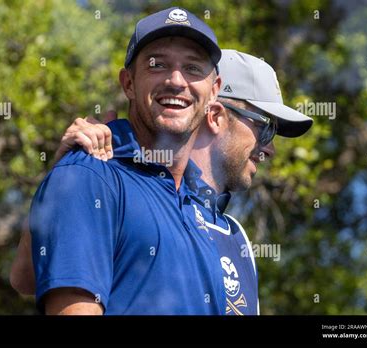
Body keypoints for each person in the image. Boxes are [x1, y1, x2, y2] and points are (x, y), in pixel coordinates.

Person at [12, 48, 313, 315]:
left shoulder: (235, 235)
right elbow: (27, 277)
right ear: (216, 115)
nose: (270, 148)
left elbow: (25, 278)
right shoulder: (109, 176)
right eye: (266, 129)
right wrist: (64, 176)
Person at [29, 7, 225, 315]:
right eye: (157, 64)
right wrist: (57, 183)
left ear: (214, 91)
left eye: (193, 68)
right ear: (129, 83)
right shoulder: (90, 173)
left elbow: (23, 276)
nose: (176, 80)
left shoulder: (198, 201)